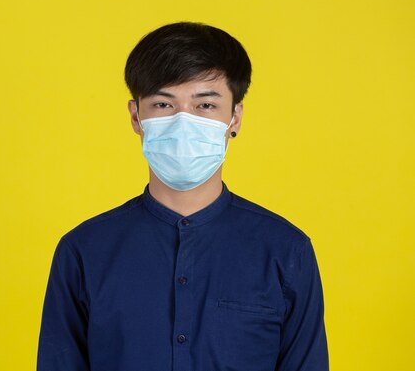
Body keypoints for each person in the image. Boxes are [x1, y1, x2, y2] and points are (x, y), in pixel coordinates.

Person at [36, 22, 329, 371]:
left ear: (234, 117)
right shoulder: (83, 250)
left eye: (205, 105)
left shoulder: (286, 251)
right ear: (136, 117)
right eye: (163, 104)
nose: (183, 122)